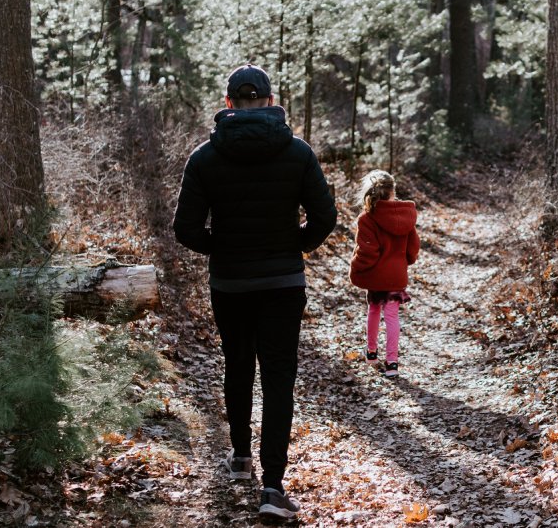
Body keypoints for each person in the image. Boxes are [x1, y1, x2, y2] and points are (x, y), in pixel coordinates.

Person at [173, 63, 337, 520]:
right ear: (268, 101)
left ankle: (241, 458)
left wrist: (221, 249)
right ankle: (272, 486)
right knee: (279, 377)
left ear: (228, 103)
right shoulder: (297, 152)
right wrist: (295, 247)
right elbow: (325, 218)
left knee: (238, 363)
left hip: (231, 282)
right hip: (283, 283)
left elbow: (185, 228)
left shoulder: (205, 156)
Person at [349, 170, 420, 377]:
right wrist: (403, 262)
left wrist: (356, 267)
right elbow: (413, 247)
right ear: (393, 191)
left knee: (373, 311)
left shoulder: (367, 218)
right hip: (396, 276)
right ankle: (392, 363)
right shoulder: (406, 216)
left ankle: (371, 353)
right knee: (392, 317)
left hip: (376, 276)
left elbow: (367, 252)